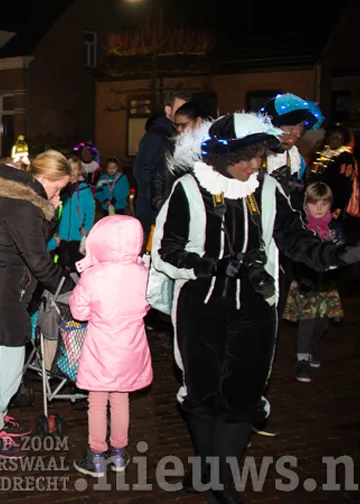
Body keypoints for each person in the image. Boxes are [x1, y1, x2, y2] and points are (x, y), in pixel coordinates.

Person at [147, 112, 360, 503]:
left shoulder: (266, 190)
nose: (255, 165)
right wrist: (212, 266)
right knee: (202, 390)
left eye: (260, 156)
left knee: (244, 391)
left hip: (256, 308)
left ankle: (220, 480)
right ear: (225, 155)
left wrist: (339, 253)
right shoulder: (189, 189)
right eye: (249, 157)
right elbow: (165, 252)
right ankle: (209, 471)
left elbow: (295, 240)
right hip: (201, 305)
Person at [0, 150, 74, 459]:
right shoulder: (22, 206)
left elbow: (32, 243)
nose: (58, 194)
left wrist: (49, 212)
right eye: (58, 188)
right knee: (4, 363)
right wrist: (70, 289)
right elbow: (39, 261)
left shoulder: (21, 200)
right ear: (45, 179)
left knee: (2, 360)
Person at [255, 92, 324, 437]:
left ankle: (256, 403)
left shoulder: (296, 157)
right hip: (254, 253)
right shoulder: (256, 156)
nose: (295, 132)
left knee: (272, 327)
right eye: (288, 126)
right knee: (250, 328)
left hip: (281, 254)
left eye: (299, 127)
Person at [69, 215, 152, 477]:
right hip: (130, 346)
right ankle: (119, 453)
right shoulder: (142, 273)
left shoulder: (95, 275)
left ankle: (95, 455)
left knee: (96, 401)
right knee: (121, 399)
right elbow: (148, 305)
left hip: (101, 348)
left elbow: (79, 312)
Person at [282, 182, 344, 382]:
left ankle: (310, 350)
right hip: (305, 283)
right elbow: (293, 256)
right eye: (314, 203)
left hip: (326, 284)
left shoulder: (334, 228)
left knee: (322, 323)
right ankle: (302, 360)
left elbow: (341, 256)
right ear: (306, 204)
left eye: (324, 204)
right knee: (307, 323)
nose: (319, 208)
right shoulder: (300, 227)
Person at [133, 90, 189, 244]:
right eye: (179, 109)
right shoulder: (157, 136)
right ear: (168, 110)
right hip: (153, 211)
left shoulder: (181, 135)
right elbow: (142, 169)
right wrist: (158, 200)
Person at [152, 101, 209, 209]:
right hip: (172, 208)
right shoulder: (170, 147)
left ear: (199, 121)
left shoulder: (210, 150)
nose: (179, 129)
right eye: (176, 125)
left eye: (183, 125)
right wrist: (158, 201)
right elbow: (159, 176)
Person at [48, 156, 95, 271]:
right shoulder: (61, 189)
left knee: (77, 263)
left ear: (80, 171)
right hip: (61, 234)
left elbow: (90, 211)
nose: (72, 172)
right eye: (70, 168)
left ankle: (79, 285)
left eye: (75, 169)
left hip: (77, 234)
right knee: (60, 263)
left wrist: (86, 227)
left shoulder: (85, 190)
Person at [307, 123, 358, 220]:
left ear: (344, 140)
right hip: (313, 198)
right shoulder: (320, 153)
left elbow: (345, 185)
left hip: (332, 202)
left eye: (339, 137)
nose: (335, 139)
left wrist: (338, 206)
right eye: (332, 136)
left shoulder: (345, 158)